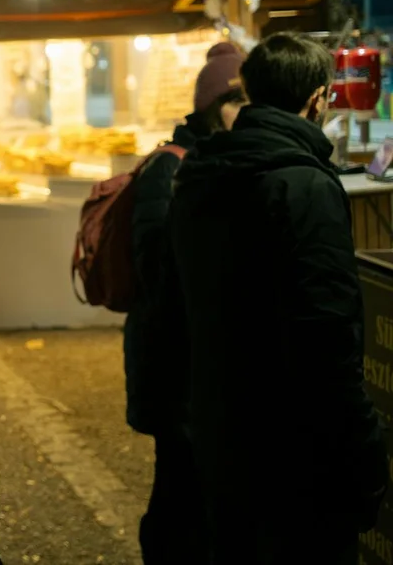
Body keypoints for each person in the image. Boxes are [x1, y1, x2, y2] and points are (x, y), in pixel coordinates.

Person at [170, 33, 388, 563]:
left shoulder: (197, 175)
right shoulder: (303, 185)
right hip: (297, 450)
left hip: (222, 431)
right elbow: (328, 333)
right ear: (318, 99)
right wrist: (363, 448)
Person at [126, 42, 245, 564]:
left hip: (202, 362)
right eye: (235, 101)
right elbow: (153, 263)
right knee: (177, 486)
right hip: (173, 360)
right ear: (209, 106)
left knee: (202, 490)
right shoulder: (169, 168)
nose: (245, 113)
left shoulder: (226, 162)